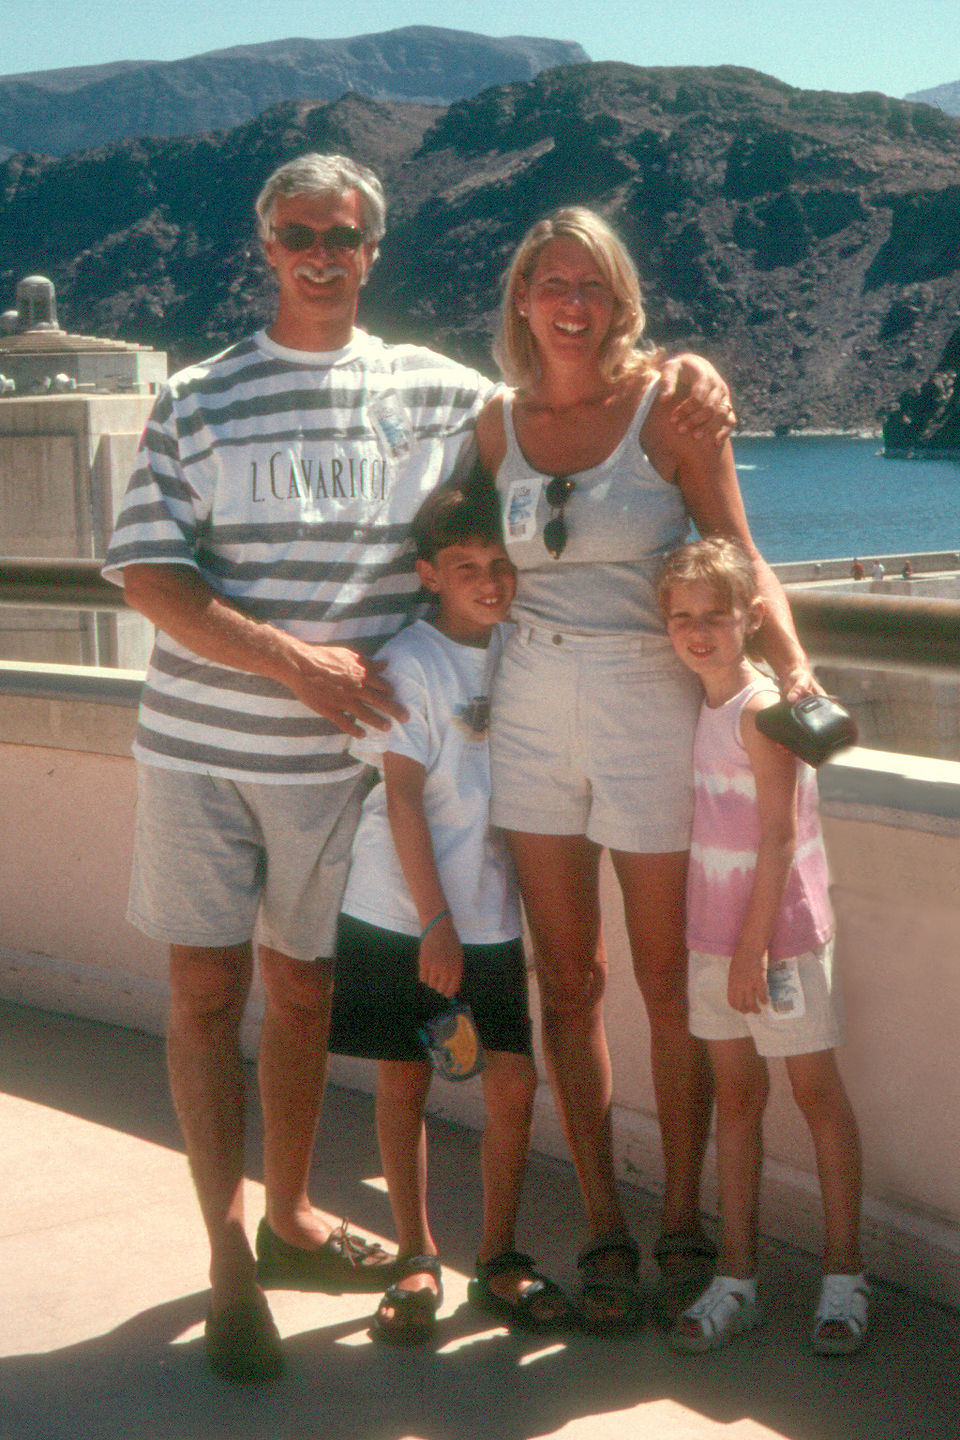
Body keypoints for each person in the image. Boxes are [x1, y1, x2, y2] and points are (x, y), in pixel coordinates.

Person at [102, 156, 732, 1382]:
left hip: (345, 773)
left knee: (299, 999)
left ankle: (287, 1219)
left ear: (372, 249)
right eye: (298, 233)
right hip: (205, 750)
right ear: (265, 243)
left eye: (343, 234)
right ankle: (229, 1260)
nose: (321, 253)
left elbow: (571, 384)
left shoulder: (438, 394)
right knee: (201, 996)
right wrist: (294, 665)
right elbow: (145, 575)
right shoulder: (197, 395)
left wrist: (687, 374)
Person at [475, 207, 818, 1330]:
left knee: (669, 980)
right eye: (549, 281)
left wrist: (799, 685)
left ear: (619, 302)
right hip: (529, 700)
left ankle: (679, 1216)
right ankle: (602, 1225)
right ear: (522, 297)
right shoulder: (496, 427)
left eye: (592, 284)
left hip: (646, 701)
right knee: (567, 983)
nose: (570, 302)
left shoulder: (672, 407)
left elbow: (741, 549)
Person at [328, 479, 574, 1342]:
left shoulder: (523, 648)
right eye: (466, 566)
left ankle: (499, 1257)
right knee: (406, 1077)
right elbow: (399, 799)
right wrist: (434, 921)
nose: (490, 581)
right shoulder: (410, 661)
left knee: (512, 1080)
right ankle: (416, 1254)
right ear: (429, 573)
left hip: (489, 911)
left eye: (501, 564)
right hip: (402, 911)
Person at [657, 537, 867, 1356]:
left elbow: (778, 840)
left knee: (816, 1095)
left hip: (773, 940)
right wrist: (724, 947)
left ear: (749, 617)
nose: (698, 631)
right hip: (717, 937)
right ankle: (737, 1278)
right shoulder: (705, 706)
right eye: (682, 617)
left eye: (715, 615)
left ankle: (845, 1275)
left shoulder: (758, 710)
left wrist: (751, 952)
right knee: (736, 1102)